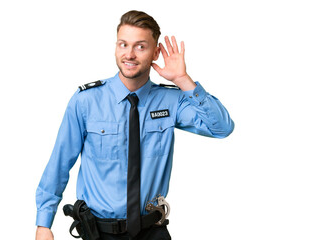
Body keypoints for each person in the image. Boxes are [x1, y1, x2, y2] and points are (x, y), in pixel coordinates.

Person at [35, 10, 234, 240]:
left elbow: (221, 127)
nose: (129, 54)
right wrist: (43, 224)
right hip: (98, 233)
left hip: (152, 231)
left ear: (155, 52)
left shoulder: (171, 101)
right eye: (123, 44)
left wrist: (182, 80)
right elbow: (60, 163)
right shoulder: (86, 101)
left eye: (140, 46)